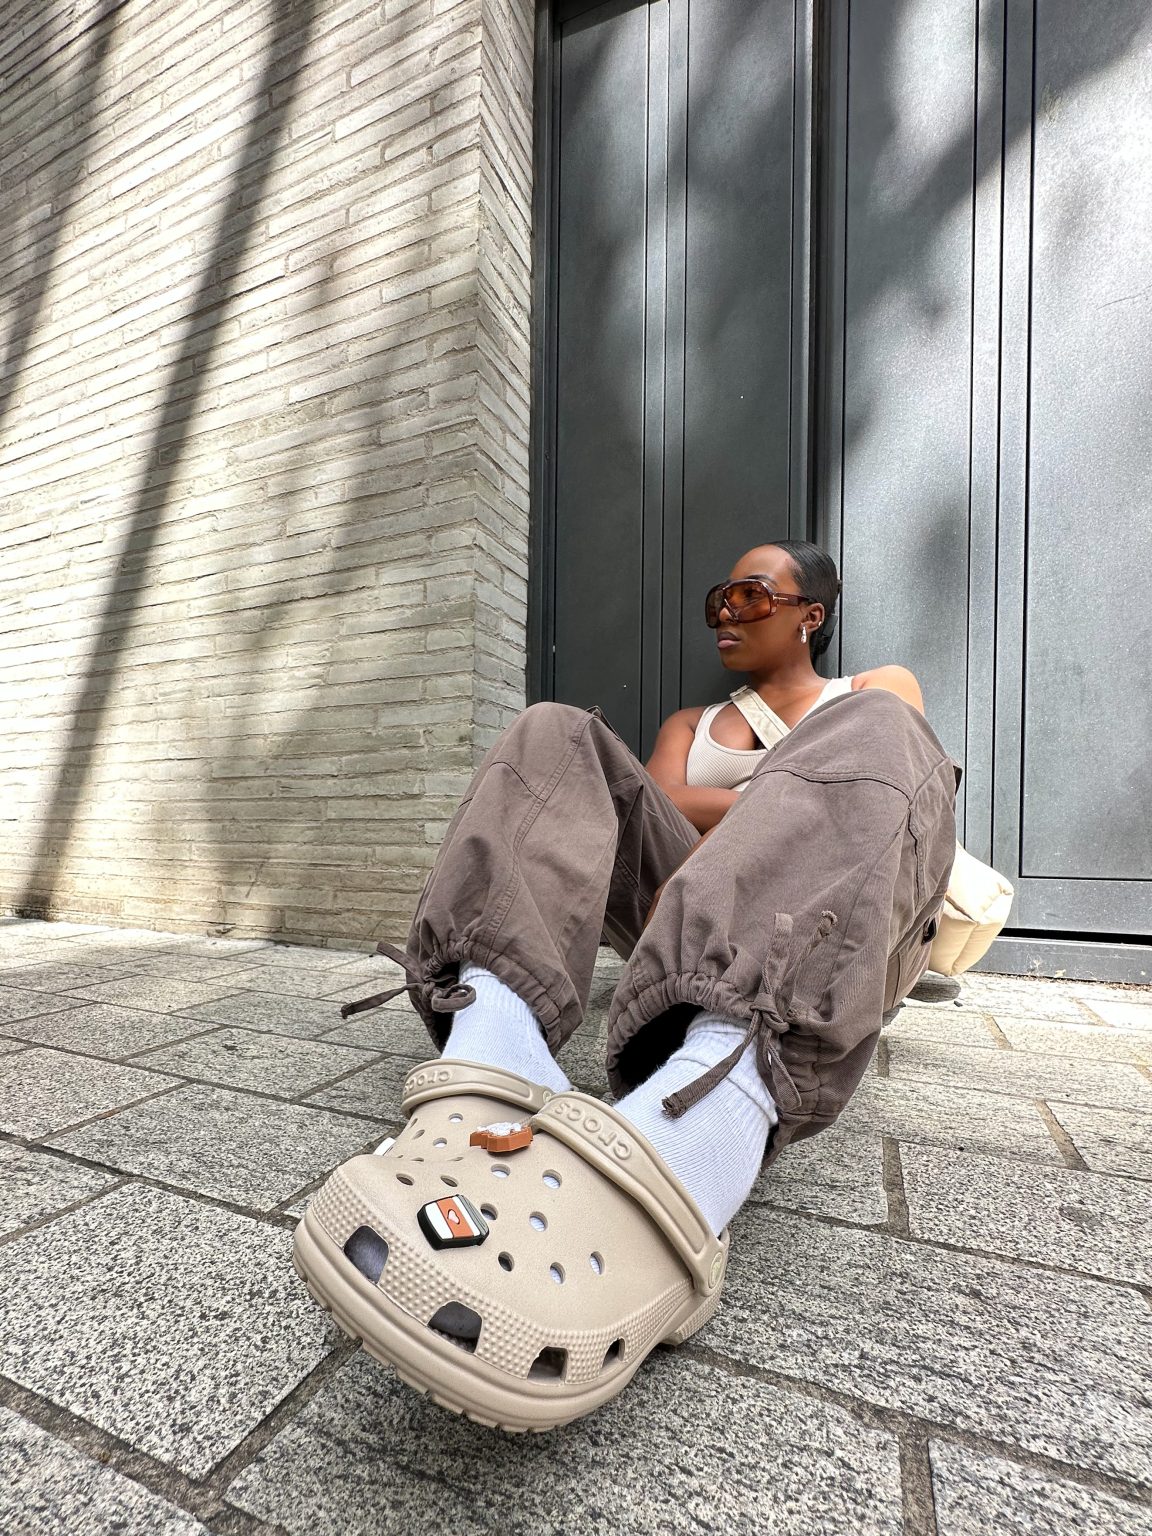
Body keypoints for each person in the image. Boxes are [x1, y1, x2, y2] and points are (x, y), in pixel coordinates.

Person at [292, 541, 958, 1431]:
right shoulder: (693, 722)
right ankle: (499, 1045)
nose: (725, 614)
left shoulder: (871, 693)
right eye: (717, 599)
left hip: (833, 925)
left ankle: (713, 1115)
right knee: (556, 731)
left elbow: (871, 803)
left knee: (881, 732)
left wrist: (781, 801)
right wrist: (782, 796)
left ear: (812, 614)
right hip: (690, 911)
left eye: (750, 596)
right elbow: (667, 802)